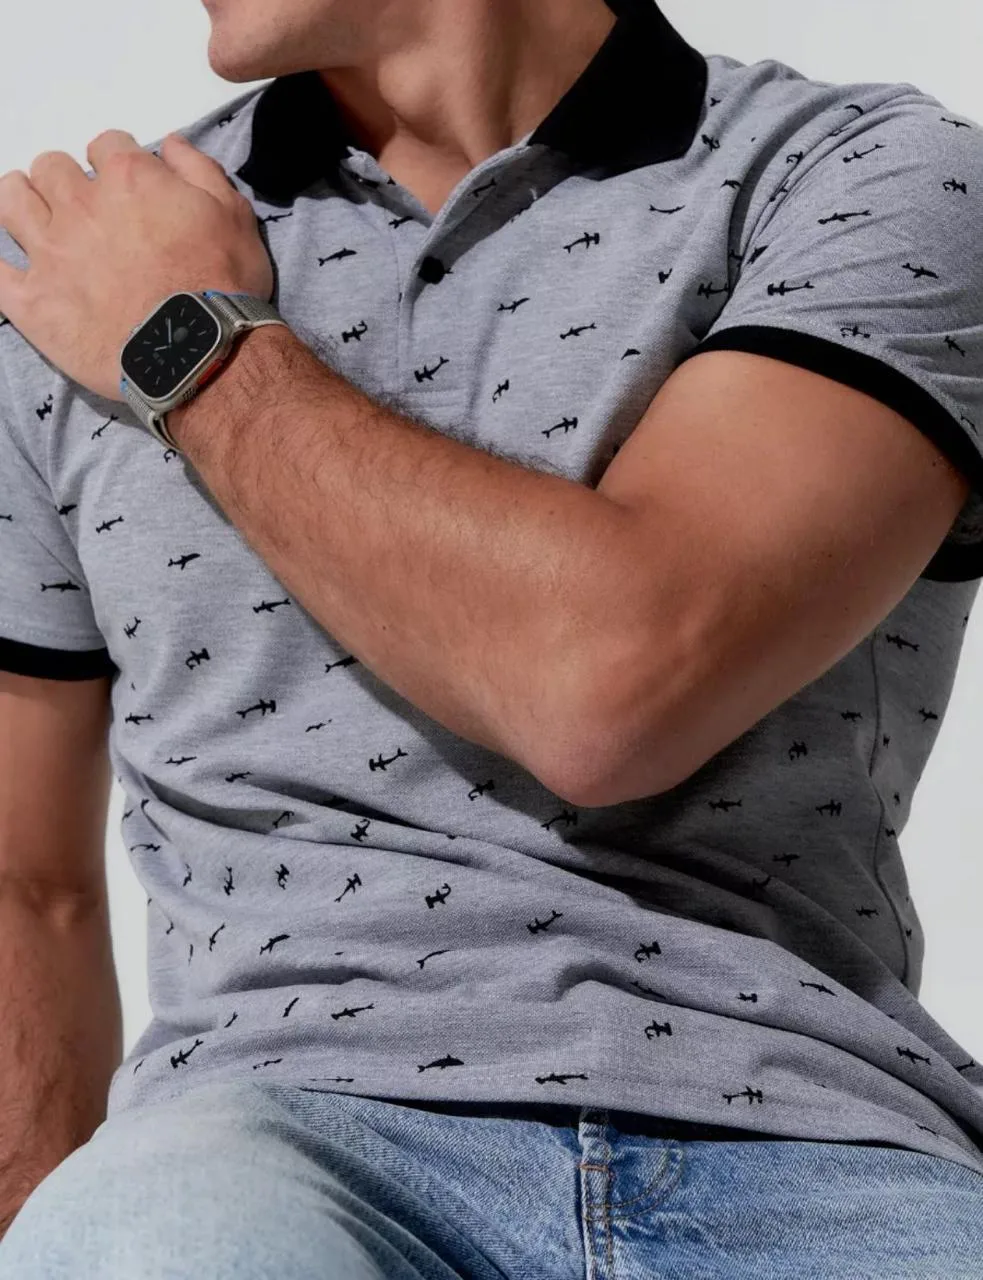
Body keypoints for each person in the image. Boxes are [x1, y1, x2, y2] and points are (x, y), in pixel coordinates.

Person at [0, 0, 982, 1274]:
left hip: (821, 1145)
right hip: (264, 1146)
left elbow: (613, 685)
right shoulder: (63, 271)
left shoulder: (857, 179)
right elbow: (27, 885)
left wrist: (186, 342)